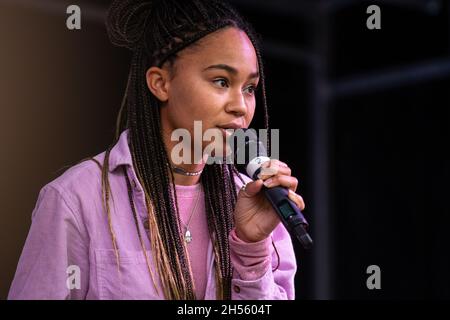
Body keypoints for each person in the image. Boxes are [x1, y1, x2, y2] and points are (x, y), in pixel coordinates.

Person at [8, 0, 305, 300]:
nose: (241, 106)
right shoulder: (76, 199)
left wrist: (251, 246)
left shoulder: (257, 203)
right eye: (221, 81)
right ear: (160, 83)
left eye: (249, 88)